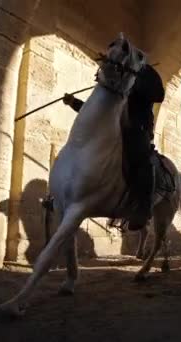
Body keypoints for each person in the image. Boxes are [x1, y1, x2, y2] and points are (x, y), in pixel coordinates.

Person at [62, 64, 165, 231]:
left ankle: (142, 210)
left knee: (143, 162)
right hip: (113, 129)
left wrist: (135, 81)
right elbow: (96, 111)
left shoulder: (145, 78)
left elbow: (159, 95)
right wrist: (74, 103)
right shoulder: (117, 83)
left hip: (136, 131)